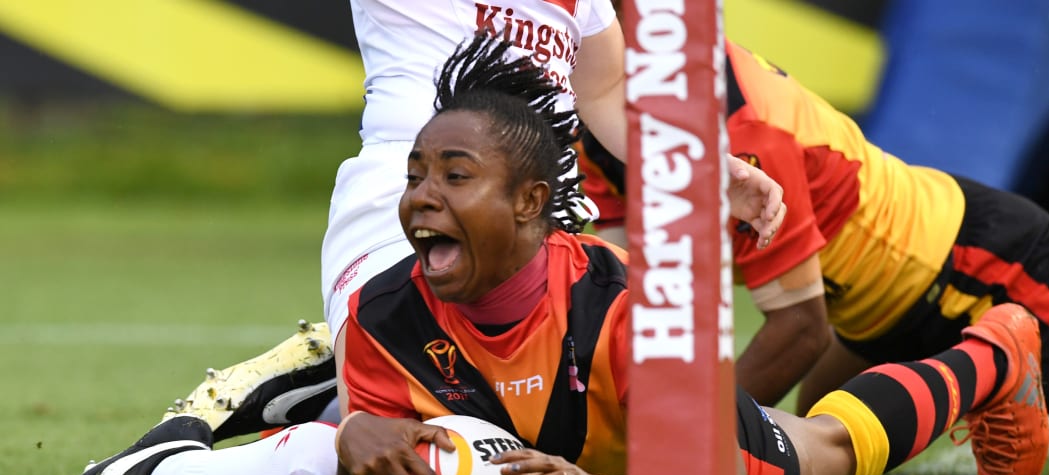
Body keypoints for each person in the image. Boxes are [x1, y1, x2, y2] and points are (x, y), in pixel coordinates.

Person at [61, 36, 1049, 475]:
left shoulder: (624, 301)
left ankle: (998, 352)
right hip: (798, 316)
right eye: (416, 175)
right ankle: (155, 467)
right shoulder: (384, 311)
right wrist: (358, 427)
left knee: (818, 449)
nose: (419, 199)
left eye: (455, 178)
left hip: (945, 272)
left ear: (533, 202)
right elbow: (373, 465)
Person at [157, 0, 786, 442]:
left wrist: (700, 166)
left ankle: (321, 388)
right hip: (404, 202)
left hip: (536, 220)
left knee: (547, 445)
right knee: (412, 474)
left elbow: (604, 90)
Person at [586, 38, 1049, 415]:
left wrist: (681, 444)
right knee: (816, 429)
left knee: (770, 445)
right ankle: (995, 389)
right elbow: (621, 299)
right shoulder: (597, 127)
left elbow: (800, 329)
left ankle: (1003, 381)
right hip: (870, 321)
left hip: (984, 261)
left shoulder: (743, 130)